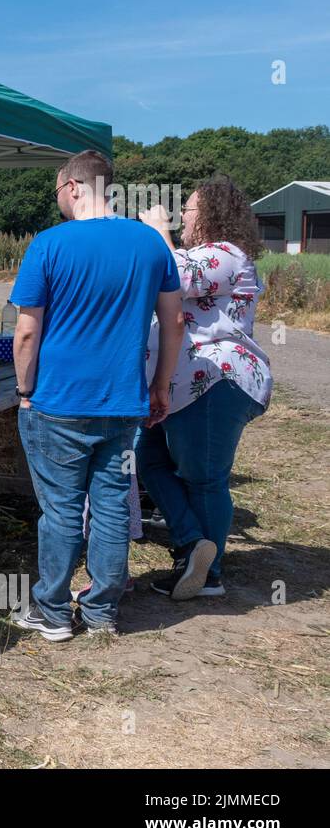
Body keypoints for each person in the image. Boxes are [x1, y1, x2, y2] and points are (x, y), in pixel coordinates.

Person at [9, 150, 184, 641]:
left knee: (62, 509)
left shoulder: (48, 244)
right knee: (110, 505)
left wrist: (24, 391)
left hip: (57, 401)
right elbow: (173, 321)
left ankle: (54, 612)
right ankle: (103, 611)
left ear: (71, 187)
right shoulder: (150, 244)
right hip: (123, 403)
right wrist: (161, 385)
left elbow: (26, 334)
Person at [136, 177, 272, 600]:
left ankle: (208, 575)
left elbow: (173, 276)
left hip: (217, 380)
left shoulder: (228, 255)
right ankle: (193, 545)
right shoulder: (205, 254)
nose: (181, 219)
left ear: (210, 216)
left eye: (188, 211)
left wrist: (158, 229)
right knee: (149, 459)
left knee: (204, 477)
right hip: (183, 386)